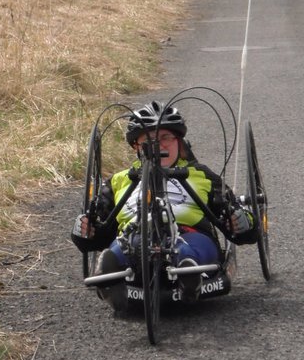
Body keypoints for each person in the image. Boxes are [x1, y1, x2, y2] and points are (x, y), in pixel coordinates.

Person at [71, 100, 257, 311]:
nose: (158, 145)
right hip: (136, 240)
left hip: (190, 233)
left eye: (166, 137)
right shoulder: (119, 180)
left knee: (189, 247)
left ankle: (188, 271)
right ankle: (110, 270)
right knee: (122, 245)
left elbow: (240, 227)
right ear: (136, 147)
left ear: (179, 141)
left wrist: (242, 221)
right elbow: (96, 235)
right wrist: (84, 230)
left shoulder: (201, 175)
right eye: (148, 140)